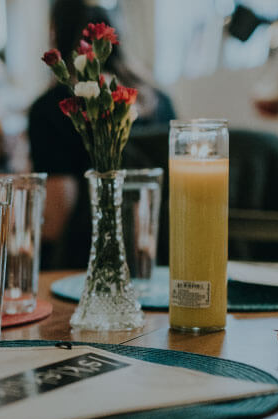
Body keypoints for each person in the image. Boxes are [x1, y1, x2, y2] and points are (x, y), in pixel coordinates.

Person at [28, 0, 177, 269]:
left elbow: (55, 221)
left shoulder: (53, 108)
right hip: (160, 262)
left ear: (55, 32)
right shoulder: (159, 100)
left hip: (82, 270)